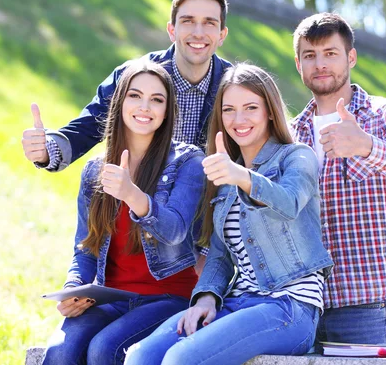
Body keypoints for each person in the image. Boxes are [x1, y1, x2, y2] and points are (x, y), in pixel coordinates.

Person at [124, 63, 334, 365]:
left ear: (270, 111)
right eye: (229, 110)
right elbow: (220, 255)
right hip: (237, 302)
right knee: (141, 356)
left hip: (290, 308)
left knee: (181, 360)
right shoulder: (226, 175)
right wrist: (206, 297)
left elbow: (288, 202)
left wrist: (242, 177)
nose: (239, 119)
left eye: (251, 108)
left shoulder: (297, 157)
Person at [41, 60, 205, 365]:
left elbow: (176, 230)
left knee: (105, 349)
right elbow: (85, 247)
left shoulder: (189, 162)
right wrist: (74, 288)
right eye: (135, 96)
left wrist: (133, 194)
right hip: (110, 298)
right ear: (120, 103)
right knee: (60, 351)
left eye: (157, 100)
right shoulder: (95, 170)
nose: (145, 106)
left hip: (169, 298)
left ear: (167, 111)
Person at [290, 12, 386, 345]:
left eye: (330, 53)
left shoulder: (385, 114)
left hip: (365, 307)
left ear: (351, 57)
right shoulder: (292, 132)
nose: (320, 63)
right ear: (299, 64)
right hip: (303, 308)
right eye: (310, 56)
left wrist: (367, 145)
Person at [22, 0, 231, 172]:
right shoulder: (132, 77)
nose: (198, 32)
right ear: (171, 29)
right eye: (188, 21)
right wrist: (47, 149)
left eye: (210, 23)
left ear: (222, 35)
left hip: (207, 208)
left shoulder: (236, 86)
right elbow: (88, 127)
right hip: (136, 196)